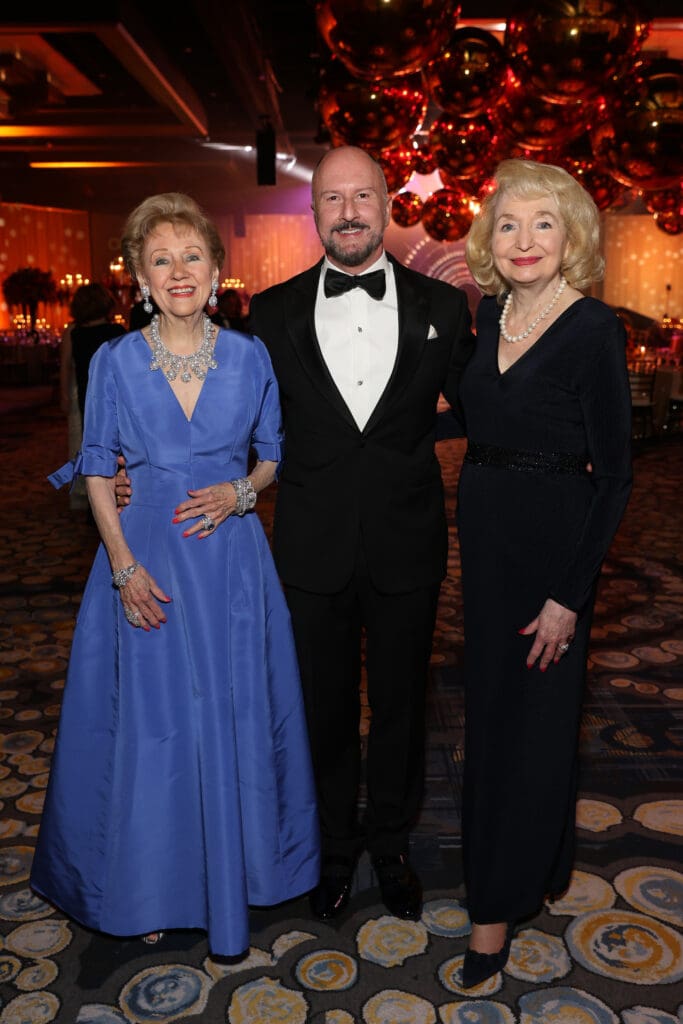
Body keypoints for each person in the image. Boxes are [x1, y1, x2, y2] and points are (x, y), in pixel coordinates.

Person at [31, 192, 319, 957]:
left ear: (218, 269)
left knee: (230, 716)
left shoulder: (249, 355)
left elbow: (273, 453)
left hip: (229, 560)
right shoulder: (115, 360)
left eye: (191, 255)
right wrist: (123, 567)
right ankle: (146, 883)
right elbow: (96, 470)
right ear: (140, 279)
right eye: (160, 259)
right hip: (146, 557)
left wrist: (242, 492)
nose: (178, 270)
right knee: (152, 727)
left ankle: (240, 871)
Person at [248, 145, 474, 921]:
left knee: (404, 707)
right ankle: (333, 849)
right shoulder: (269, 312)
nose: (347, 212)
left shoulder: (443, 309)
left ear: (386, 204)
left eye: (362, 197)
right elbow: (236, 425)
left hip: (407, 544)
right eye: (331, 200)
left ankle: (391, 844)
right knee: (324, 709)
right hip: (310, 547)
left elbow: (487, 408)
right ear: (313, 214)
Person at [457, 158, 632, 988]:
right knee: (495, 718)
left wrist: (569, 595)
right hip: (484, 549)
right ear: (489, 238)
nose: (523, 240)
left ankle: (492, 913)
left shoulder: (595, 329)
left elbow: (617, 477)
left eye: (543, 223)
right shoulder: (488, 316)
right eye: (508, 224)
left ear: (572, 238)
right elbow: (468, 414)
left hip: (551, 555)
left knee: (525, 727)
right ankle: (543, 862)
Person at [59, 282, 125, 425]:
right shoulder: (117, 331)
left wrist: (64, 395)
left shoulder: (73, 332)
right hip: (115, 392)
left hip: (88, 392)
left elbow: (65, 366)